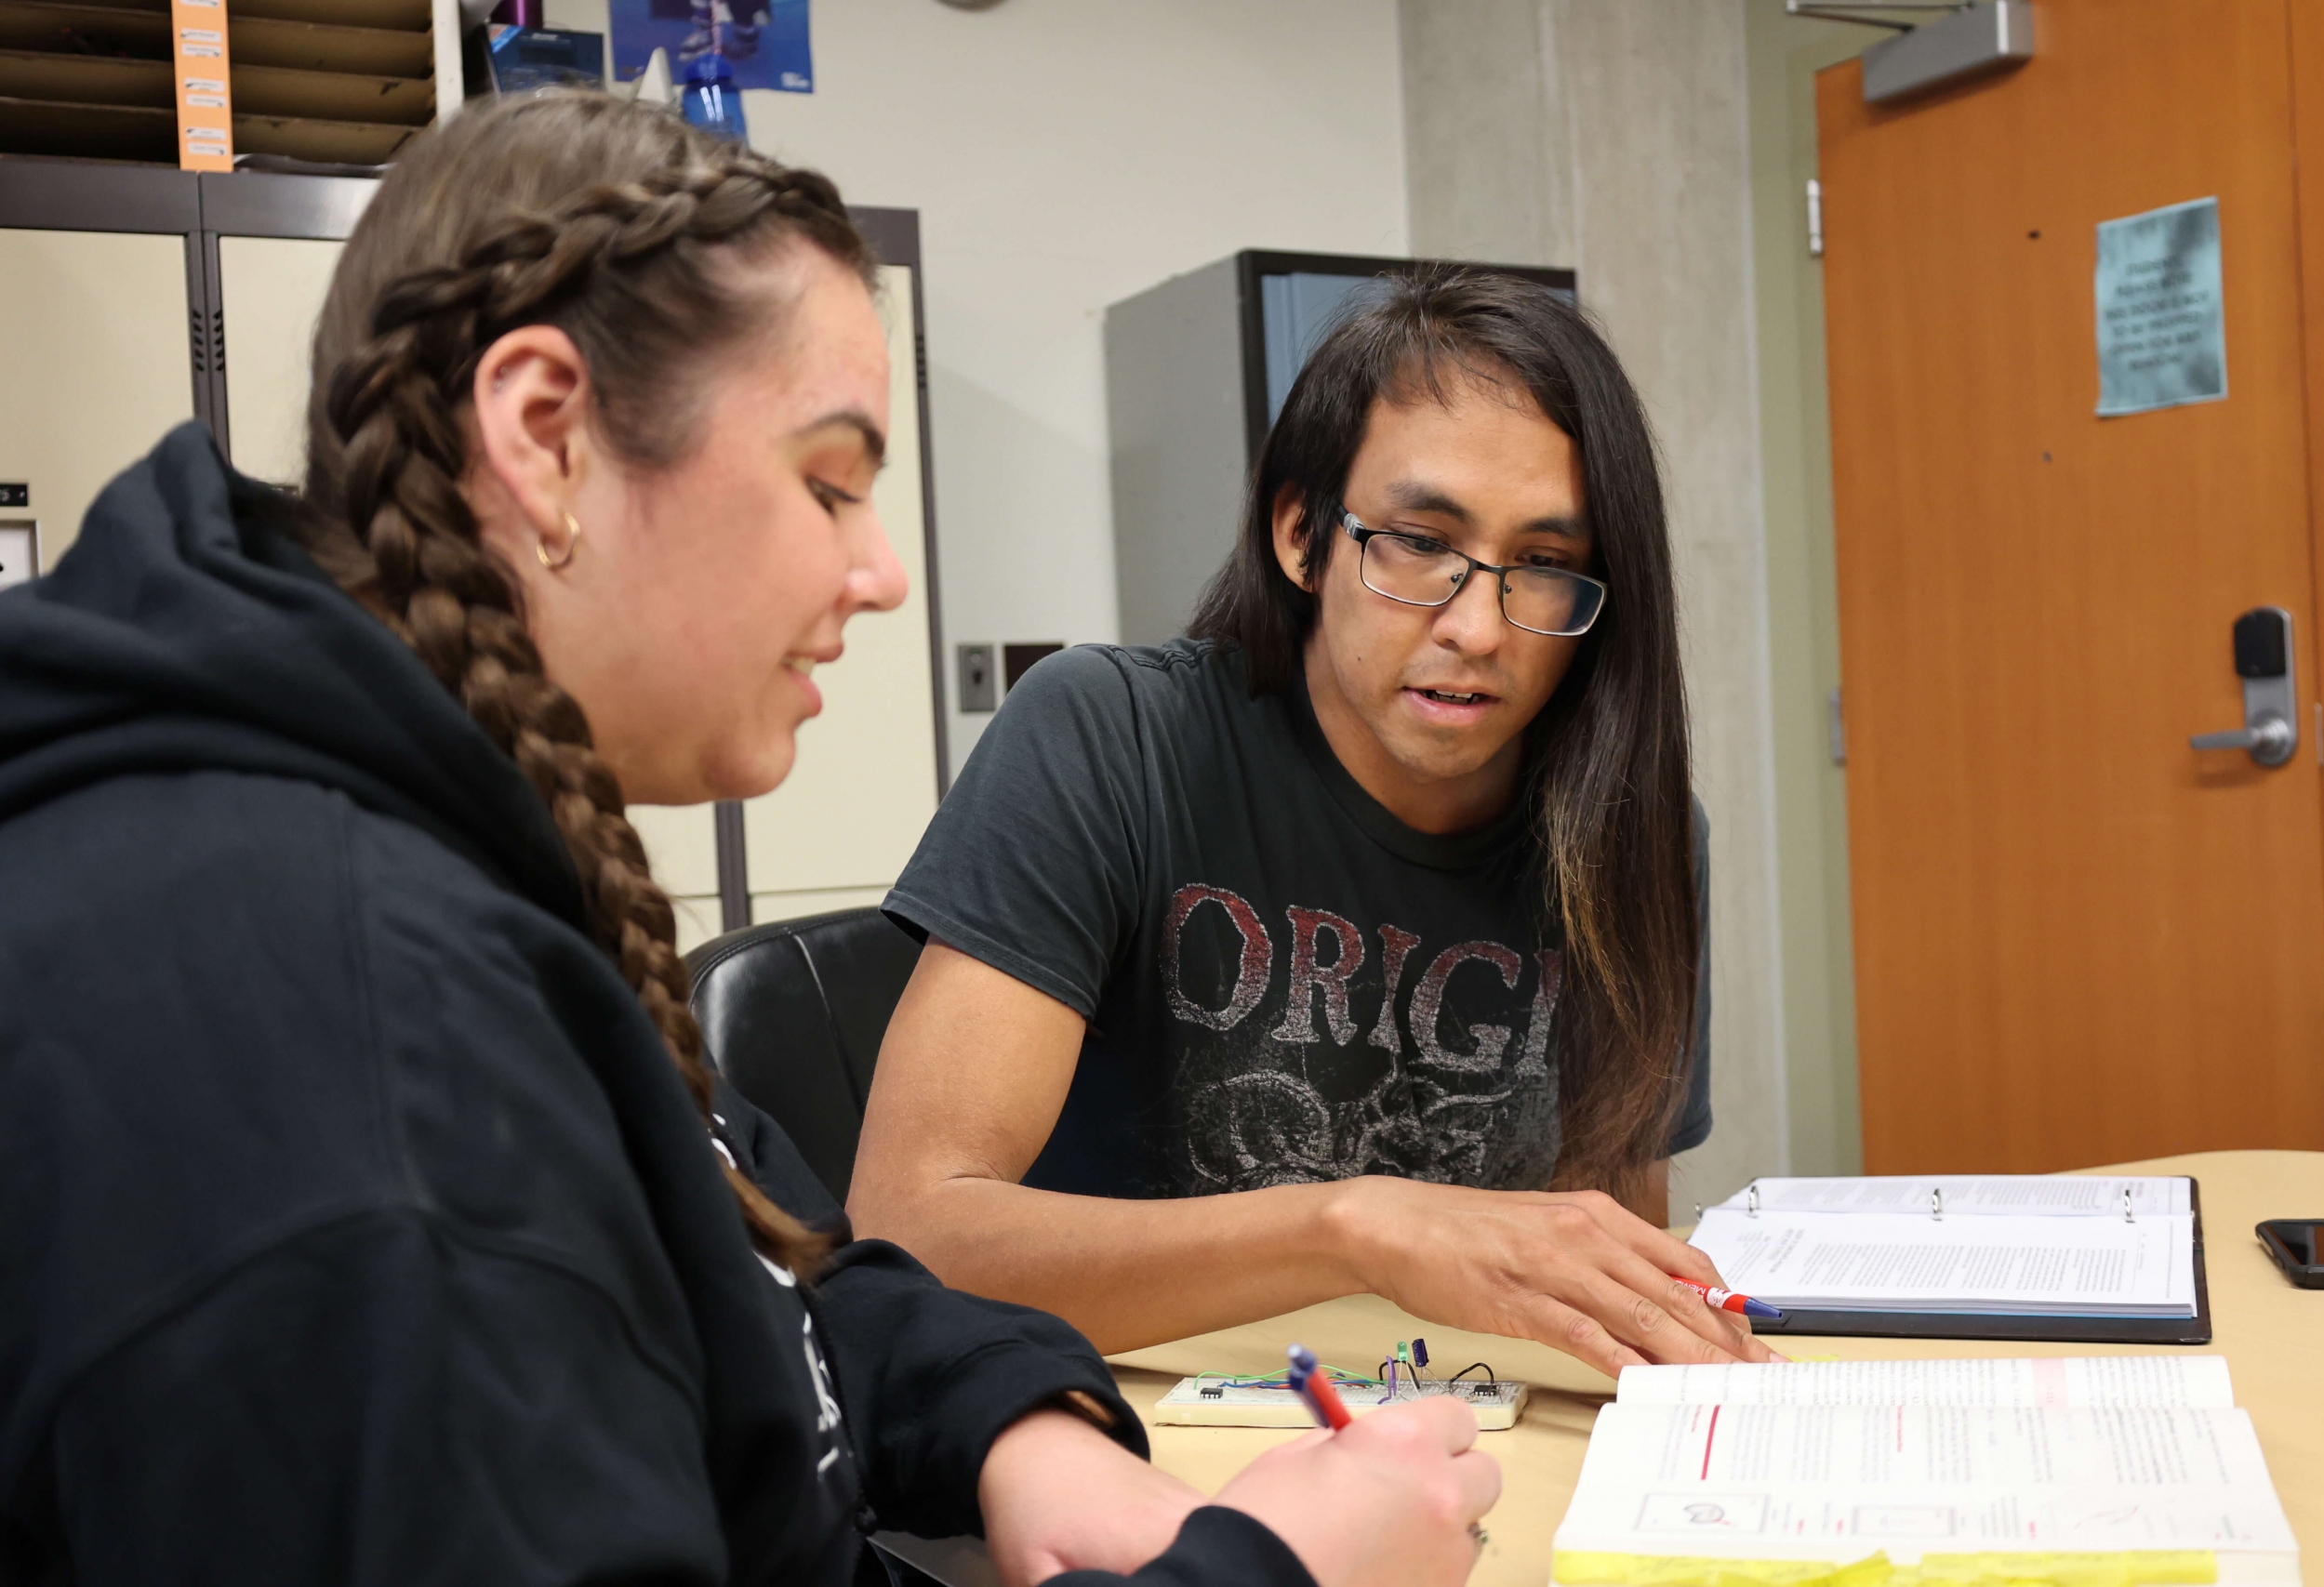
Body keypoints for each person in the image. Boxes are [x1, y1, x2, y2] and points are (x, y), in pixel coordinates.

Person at [0, 96, 1499, 1586]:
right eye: (831, 481)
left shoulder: (445, 837)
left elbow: (786, 1282)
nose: (883, 572)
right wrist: (1277, 1569)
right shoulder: (358, 1063)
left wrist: (1007, 1427)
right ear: (545, 435)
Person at [849, 271, 1785, 1377]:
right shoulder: (1111, 736)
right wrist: (1356, 1228)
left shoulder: (1634, 836)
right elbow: (908, 1239)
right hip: (1108, 1439)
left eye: (1543, 565)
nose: (1478, 627)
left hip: (1447, 1433)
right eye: (1418, 542)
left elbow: (1598, 1279)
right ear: (1302, 536)